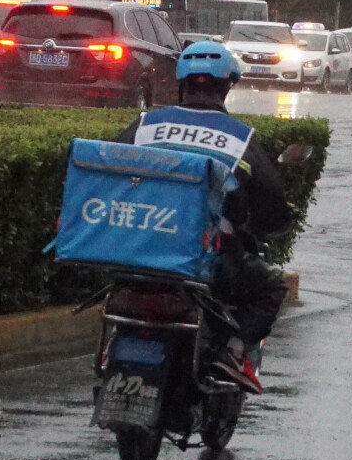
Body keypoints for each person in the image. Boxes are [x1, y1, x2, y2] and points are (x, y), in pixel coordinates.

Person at [115, 41, 292, 394]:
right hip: (206, 261)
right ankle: (233, 353)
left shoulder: (146, 124)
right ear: (227, 86)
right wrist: (273, 221)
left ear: (181, 83)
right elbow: (270, 199)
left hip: (139, 249)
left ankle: (113, 351)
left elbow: (109, 167)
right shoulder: (240, 138)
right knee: (271, 286)